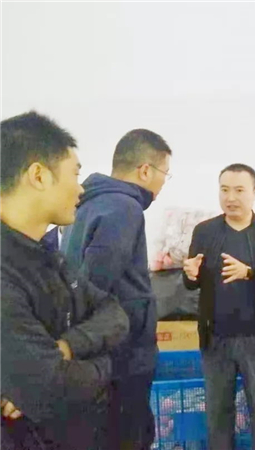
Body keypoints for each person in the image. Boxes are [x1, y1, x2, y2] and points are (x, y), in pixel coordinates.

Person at [0, 111, 129, 449]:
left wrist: (69, 347)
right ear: (39, 176)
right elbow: (53, 388)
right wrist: (107, 364)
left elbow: (113, 312)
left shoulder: (45, 256)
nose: (81, 188)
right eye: (75, 173)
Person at [61, 129, 172, 449]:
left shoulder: (87, 204)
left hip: (95, 354)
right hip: (122, 356)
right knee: (128, 436)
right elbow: (96, 282)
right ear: (145, 171)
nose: (163, 183)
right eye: (164, 173)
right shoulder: (124, 207)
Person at [183, 163, 255, 450]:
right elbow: (192, 283)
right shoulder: (205, 232)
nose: (231, 197)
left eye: (239, 190)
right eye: (224, 190)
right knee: (218, 415)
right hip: (215, 339)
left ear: (254, 193)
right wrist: (190, 274)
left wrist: (250, 273)